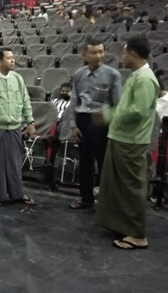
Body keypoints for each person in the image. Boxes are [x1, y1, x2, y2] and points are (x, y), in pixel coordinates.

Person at [94, 36, 159, 250]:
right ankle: (123, 226)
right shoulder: (136, 76)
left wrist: (108, 115)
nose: (122, 57)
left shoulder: (145, 79)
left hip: (132, 141)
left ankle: (138, 235)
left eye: (124, 53)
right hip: (122, 138)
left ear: (132, 54)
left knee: (131, 188)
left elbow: (138, 111)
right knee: (118, 187)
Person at [0, 47, 36, 207]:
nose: (12, 60)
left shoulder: (18, 78)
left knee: (15, 162)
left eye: (13, 57)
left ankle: (17, 193)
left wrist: (30, 122)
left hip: (15, 127)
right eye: (9, 58)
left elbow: (25, 101)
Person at [68, 39, 122, 210]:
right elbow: (74, 100)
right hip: (83, 121)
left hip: (102, 122)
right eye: (94, 52)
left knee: (105, 163)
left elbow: (117, 104)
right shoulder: (79, 75)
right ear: (85, 55)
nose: (98, 55)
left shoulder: (113, 75)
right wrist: (73, 124)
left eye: (101, 52)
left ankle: (107, 202)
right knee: (85, 162)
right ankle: (86, 198)